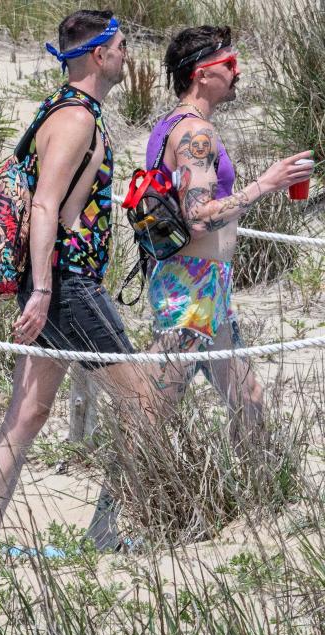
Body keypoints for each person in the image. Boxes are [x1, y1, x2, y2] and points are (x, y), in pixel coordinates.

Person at [0, 10, 153, 549]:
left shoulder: (62, 109)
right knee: (144, 402)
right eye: (122, 45)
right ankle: (105, 532)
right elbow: (48, 206)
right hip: (68, 285)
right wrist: (45, 291)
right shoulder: (77, 119)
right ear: (99, 54)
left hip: (56, 283)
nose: (127, 54)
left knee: (28, 412)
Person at [145, 25, 313, 448]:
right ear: (202, 73)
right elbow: (199, 217)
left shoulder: (179, 125)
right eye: (230, 64)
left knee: (249, 400)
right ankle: (111, 508)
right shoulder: (194, 133)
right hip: (190, 285)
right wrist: (267, 183)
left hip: (208, 285)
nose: (237, 73)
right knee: (151, 413)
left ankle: (261, 505)